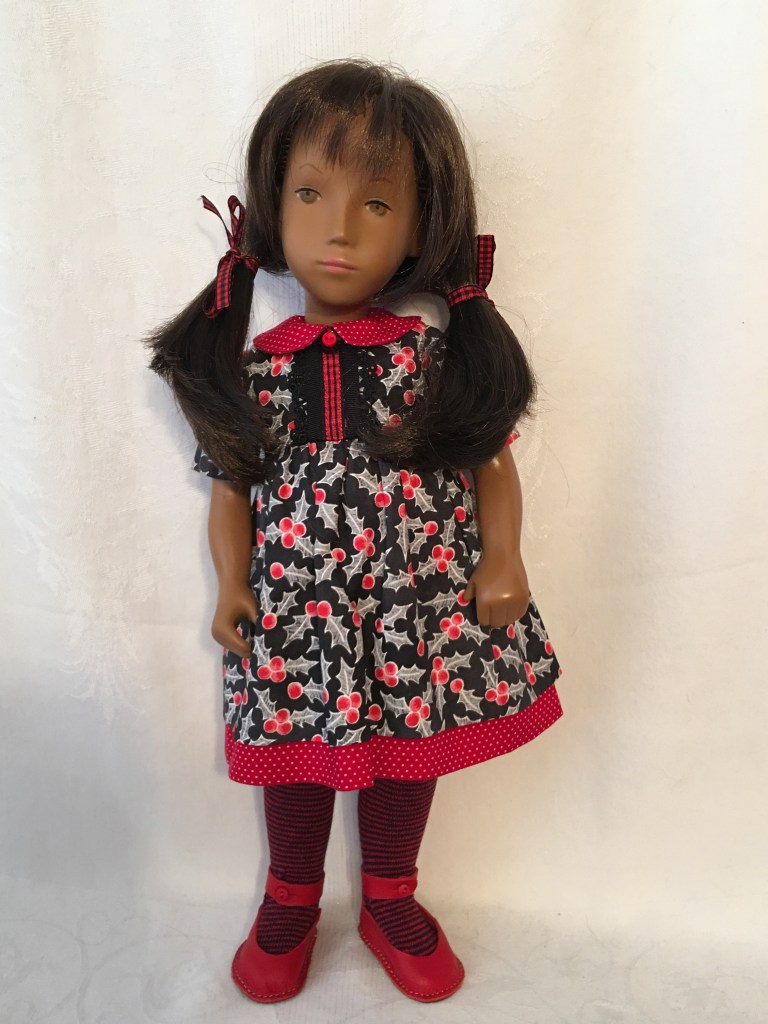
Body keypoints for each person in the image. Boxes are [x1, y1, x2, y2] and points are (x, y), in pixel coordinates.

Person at [146, 58, 564, 1005]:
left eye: (377, 204)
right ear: (270, 206)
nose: (340, 228)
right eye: (310, 194)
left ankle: (390, 896)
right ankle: (290, 896)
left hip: (416, 602)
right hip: (297, 608)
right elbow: (230, 491)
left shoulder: (428, 357)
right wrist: (233, 583)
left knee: (408, 745)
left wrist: (504, 559)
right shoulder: (255, 371)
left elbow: (490, 462)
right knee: (295, 751)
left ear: (418, 229)